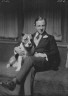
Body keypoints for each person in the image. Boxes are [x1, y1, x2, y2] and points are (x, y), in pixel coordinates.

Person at [1, 16, 60, 96]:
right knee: (30, 70)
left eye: (43, 25)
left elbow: (55, 52)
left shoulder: (50, 38)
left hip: (44, 61)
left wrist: (43, 54)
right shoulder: (30, 36)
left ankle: (14, 81)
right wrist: (16, 48)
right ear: (35, 26)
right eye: (39, 26)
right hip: (33, 63)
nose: (41, 28)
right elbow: (20, 43)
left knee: (29, 59)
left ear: (45, 25)